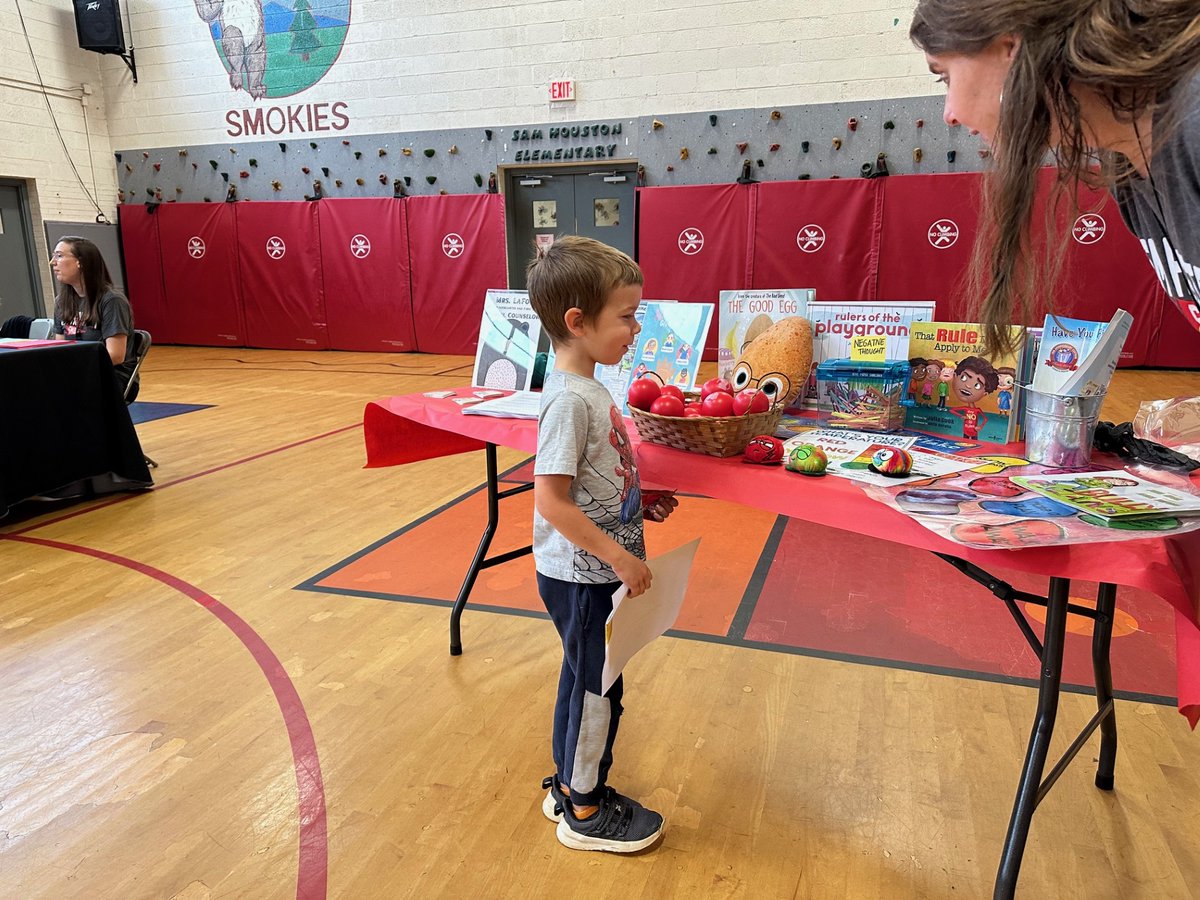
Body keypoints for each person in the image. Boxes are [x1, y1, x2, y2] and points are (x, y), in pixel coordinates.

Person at [910, 1, 1200, 353]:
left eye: (945, 76)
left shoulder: (1191, 121)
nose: (949, 115)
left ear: (1010, 48)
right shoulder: (1124, 159)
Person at [525, 235, 679, 853]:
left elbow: (589, 483)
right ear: (577, 322)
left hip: (591, 570)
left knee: (581, 676)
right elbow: (551, 500)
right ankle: (585, 810)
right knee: (598, 690)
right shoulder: (569, 401)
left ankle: (569, 782)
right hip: (584, 576)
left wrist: (636, 505)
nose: (636, 327)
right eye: (626, 316)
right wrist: (618, 554)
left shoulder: (589, 389)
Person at [50, 236, 139, 398]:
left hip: (111, 375)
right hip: (79, 372)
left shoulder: (111, 300)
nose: (53, 262)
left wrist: (74, 366)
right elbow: (60, 348)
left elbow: (115, 355)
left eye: (59, 256)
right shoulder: (62, 302)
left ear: (81, 262)